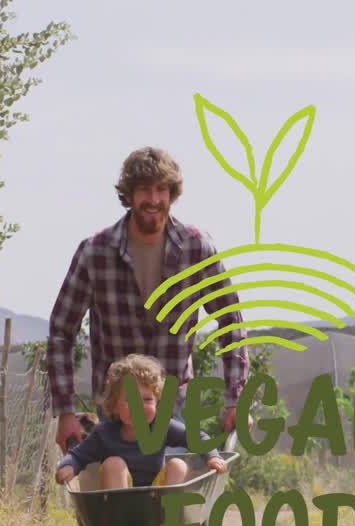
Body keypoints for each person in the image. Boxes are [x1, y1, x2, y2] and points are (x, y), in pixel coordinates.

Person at [45, 147, 250, 454]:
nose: (153, 200)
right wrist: (64, 412)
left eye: (161, 190)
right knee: (119, 489)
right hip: (116, 408)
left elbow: (231, 323)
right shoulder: (96, 252)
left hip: (173, 403)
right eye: (143, 190)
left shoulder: (197, 249)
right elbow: (62, 331)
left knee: (171, 488)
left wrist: (236, 399)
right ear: (128, 195)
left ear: (172, 193)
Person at [53, 355, 228, 490]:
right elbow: (78, 454)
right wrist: (68, 466)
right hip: (118, 496)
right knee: (113, 463)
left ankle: (167, 518)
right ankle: (120, 522)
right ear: (114, 405)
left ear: (158, 403)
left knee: (178, 465)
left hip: (156, 496)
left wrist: (212, 456)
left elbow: (198, 437)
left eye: (147, 400)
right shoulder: (104, 433)